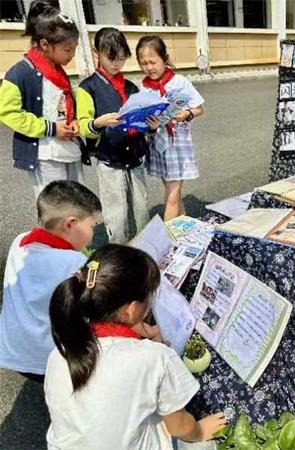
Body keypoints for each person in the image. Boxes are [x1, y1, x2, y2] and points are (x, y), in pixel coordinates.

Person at [45, 244, 227, 449]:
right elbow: (180, 426)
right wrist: (201, 431)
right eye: (149, 298)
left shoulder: (60, 352)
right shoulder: (154, 357)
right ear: (131, 309)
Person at [0, 181, 101, 381]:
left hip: (13, 349)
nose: (93, 234)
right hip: (50, 358)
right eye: (92, 226)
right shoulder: (74, 263)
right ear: (70, 224)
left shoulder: (19, 242)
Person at [0, 1, 85, 196]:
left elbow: (63, 104)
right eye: (67, 49)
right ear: (45, 44)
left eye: (74, 48)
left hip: (69, 150)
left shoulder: (57, 70)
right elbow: (8, 113)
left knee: (77, 204)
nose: (72, 55)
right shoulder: (20, 73)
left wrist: (74, 121)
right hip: (45, 155)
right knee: (55, 211)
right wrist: (52, 128)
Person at [77, 27, 153, 243]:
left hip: (135, 155)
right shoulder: (87, 88)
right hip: (109, 159)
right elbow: (83, 125)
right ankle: (119, 252)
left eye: (121, 58)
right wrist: (98, 122)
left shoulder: (131, 87)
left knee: (141, 206)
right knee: (115, 211)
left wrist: (151, 124)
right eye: (111, 58)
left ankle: (144, 250)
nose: (116, 64)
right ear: (96, 53)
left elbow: (142, 121)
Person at [136, 35, 205, 221]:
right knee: (173, 192)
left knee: (171, 196)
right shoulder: (143, 86)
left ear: (164, 59)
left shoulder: (179, 82)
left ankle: (167, 239)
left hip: (177, 144)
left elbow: (199, 108)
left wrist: (186, 114)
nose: (149, 67)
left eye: (153, 62)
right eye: (143, 63)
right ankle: (183, 225)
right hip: (157, 143)